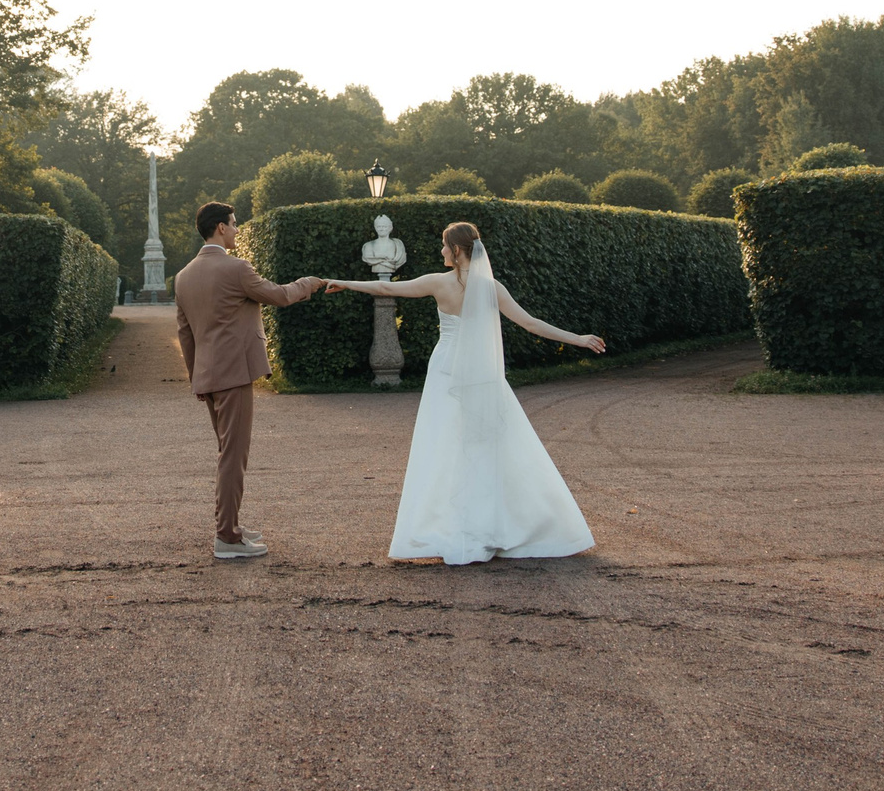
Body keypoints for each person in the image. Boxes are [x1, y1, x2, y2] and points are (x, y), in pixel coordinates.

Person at [320, 220, 602, 564]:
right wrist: (579, 339)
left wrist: (344, 284)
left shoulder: (439, 283)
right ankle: (497, 525)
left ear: (455, 250)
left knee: (447, 446)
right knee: (490, 446)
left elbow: (387, 289)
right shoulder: (490, 286)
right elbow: (530, 323)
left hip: (446, 369)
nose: (440, 251)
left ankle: (457, 527)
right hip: (482, 371)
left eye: (443, 246)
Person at [173, 201, 323, 560]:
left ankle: (231, 525)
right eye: (235, 224)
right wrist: (311, 282)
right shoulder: (235, 268)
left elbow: (185, 335)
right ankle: (227, 537)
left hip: (208, 377)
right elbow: (281, 296)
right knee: (233, 457)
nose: (238, 230)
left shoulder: (183, 276)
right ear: (220, 228)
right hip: (234, 375)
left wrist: (198, 380)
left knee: (228, 454)